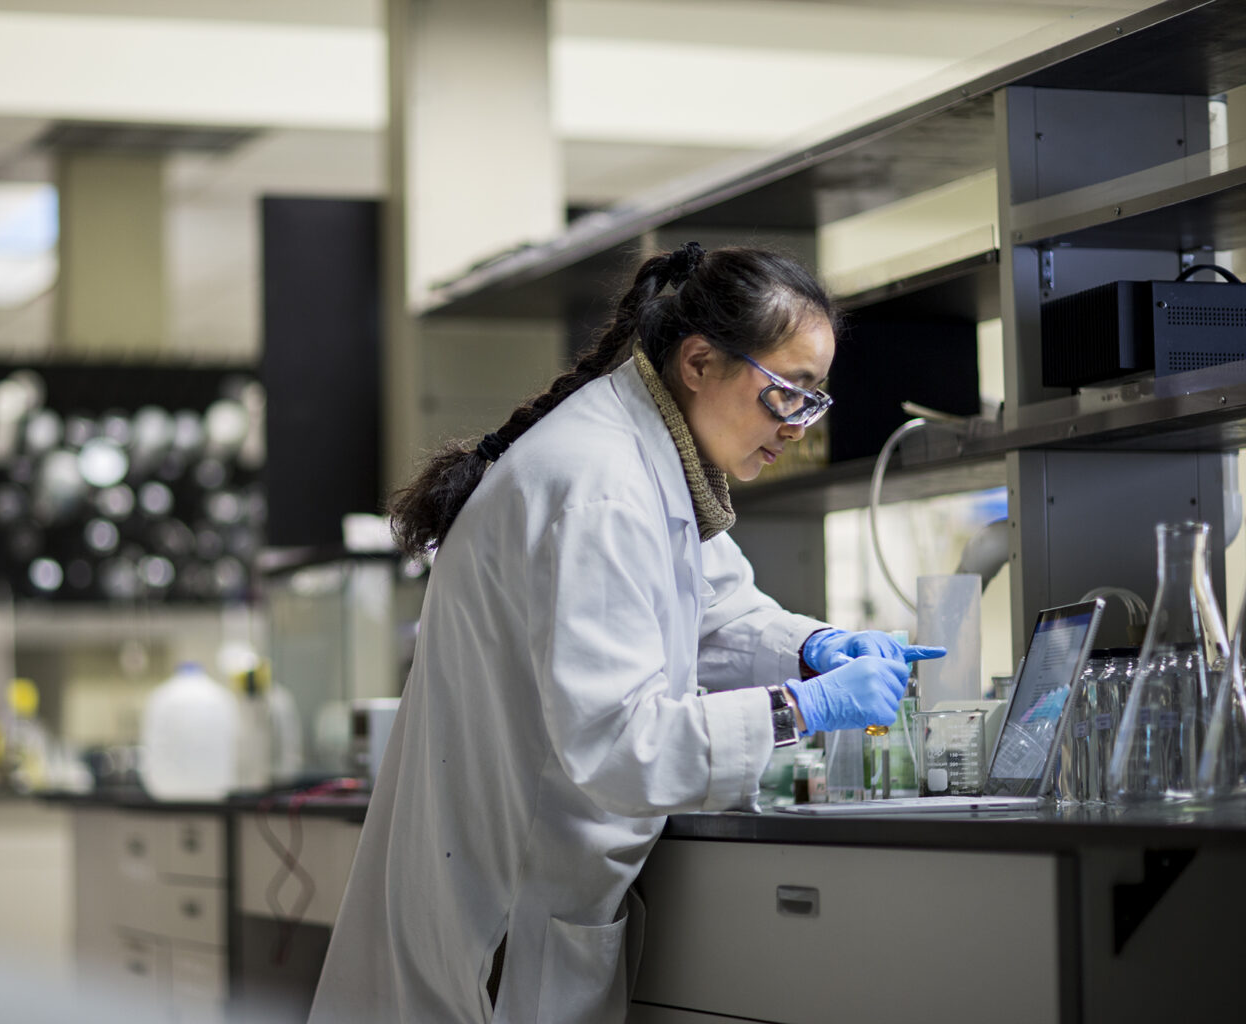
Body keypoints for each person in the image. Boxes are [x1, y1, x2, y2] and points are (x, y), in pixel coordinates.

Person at [307, 243, 945, 1024]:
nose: (799, 428)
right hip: (501, 922)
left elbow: (716, 611)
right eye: (788, 394)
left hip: (529, 897)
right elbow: (620, 744)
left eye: (815, 402)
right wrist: (800, 709)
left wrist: (813, 649)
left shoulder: (652, 458)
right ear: (700, 363)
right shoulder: (603, 485)